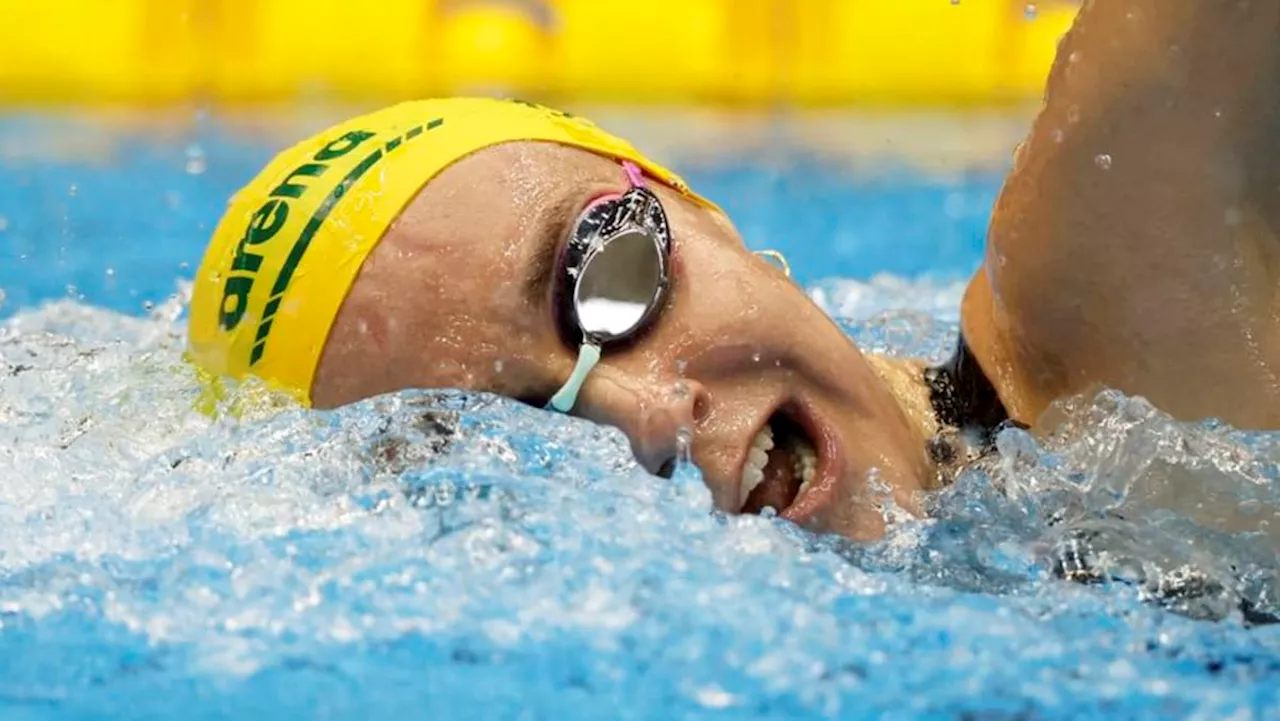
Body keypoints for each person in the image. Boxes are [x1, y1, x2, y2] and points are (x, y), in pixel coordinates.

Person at [187, 0, 1280, 542]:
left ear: (694, 208)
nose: (647, 418)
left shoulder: (1118, 302)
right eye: (512, 440)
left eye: (602, 280)